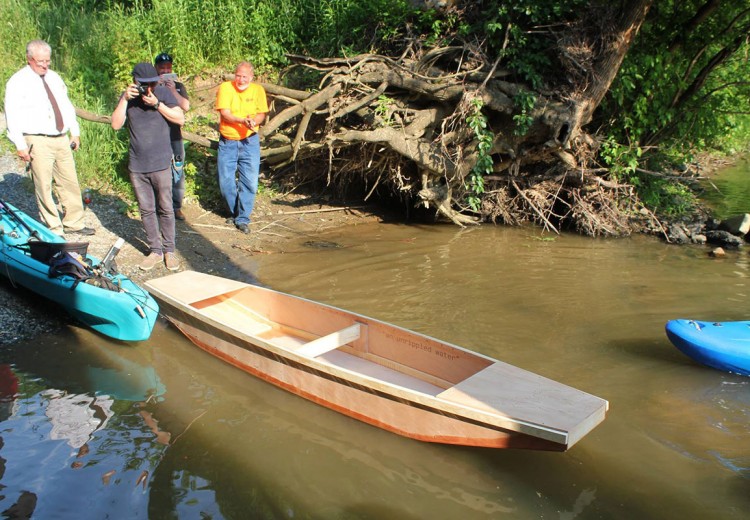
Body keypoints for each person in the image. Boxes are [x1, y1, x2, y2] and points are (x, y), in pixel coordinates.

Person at [4, 40, 95, 237]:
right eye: (40, 62)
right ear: (29, 60)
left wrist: (75, 131)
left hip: (60, 137)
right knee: (44, 184)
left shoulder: (54, 78)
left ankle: (74, 222)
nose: (45, 65)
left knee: (69, 180)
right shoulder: (17, 82)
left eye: (48, 61)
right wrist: (20, 145)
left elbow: (66, 105)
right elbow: (11, 114)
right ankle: (53, 227)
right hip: (37, 139)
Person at [111, 62, 184, 271]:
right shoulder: (128, 98)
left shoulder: (163, 93)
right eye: (144, 84)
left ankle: (169, 251)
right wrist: (124, 99)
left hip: (161, 162)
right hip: (137, 164)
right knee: (146, 210)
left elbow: (180, 118)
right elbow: (116, 124)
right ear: (135, 82)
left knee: (166, 208)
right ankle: (155, 250)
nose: (149, 88)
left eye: (152, 83)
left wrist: (157, 104)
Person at [215, 61, 268, 234]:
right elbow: (225, 113)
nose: (241, 79)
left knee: (250, 181)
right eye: (238, 75)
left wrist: (254, 121)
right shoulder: (226, 88)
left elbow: (261, 113)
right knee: (226, 182)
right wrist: (241, 121)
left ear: (251, 77)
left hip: (249, 141)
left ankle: (243, 218)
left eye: (244, 76)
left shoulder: (258, 90)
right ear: (234, 75)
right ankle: (234, 211)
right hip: (228, 141)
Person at [154, 52, 190, 221]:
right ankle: (157, 206)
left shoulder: (179, 86)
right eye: (162, 68)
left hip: (174, 136)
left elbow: (185, 106)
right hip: (155, 137)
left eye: (168, 68)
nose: (165, 70)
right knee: (156, 171)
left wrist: (171, 90)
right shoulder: (151, 85)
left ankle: (176, 207)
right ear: (156, 69)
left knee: (177, 172)